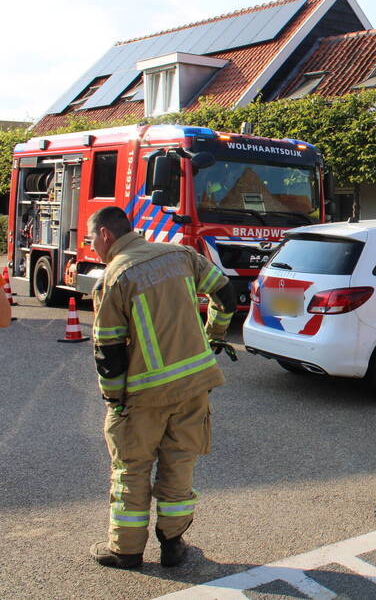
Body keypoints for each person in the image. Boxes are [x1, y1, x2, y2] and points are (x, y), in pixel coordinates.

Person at [86, 206, 237, 569]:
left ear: (106, 235)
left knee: (132, 468)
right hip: (194, 386)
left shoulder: (115, 276)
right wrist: (213, 336)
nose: (92, 247)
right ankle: (173, 544)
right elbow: (227, 296)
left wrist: (114, 399)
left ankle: (126, 550)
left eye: (91, 239)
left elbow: (108, 349)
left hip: (144, 395)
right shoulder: (181, 255)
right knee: (179, 464)